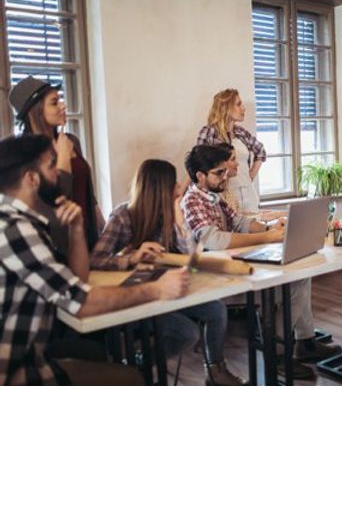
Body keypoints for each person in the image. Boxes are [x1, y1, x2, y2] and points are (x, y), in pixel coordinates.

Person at [0, 135, 189, 385]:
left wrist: (76, 231)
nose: (59, 173)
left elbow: (78, 280)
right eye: (51, 165)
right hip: (15, 370)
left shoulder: (22, 222)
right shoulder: (15, 229)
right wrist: (156, 289)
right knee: (131, 378)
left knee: (103, 358)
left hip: (29, 358)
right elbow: (80, 301)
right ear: (32, 179)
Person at [181, 144, 341, 379]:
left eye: (225, 171)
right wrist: (266, 237)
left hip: (231, 270)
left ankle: (305, 342)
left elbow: (241, 223)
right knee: (294, 285)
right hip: (213, 282)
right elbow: (214, 240)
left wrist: (270, 227)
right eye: (219, 172)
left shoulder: (215, 197)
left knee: (300, 277)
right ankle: (278, 355)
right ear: (200, 176)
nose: (226, 176)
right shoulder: (192, 201)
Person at [91, 159, 245, 385]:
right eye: (173, 183)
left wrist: (178, 220)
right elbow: (95, 260)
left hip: (166, 287)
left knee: (216, 310)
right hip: (137, 293)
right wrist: (131, 257)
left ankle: (215, 371)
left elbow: (190, 257)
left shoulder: (169, 214)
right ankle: (142, 364)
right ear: (160, 187)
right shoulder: (123, 215)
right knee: (187, 333)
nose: (179, 187)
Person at [9, 75, 104, 252]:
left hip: (87, 233)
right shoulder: (28, 153)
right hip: (59, 239)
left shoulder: (70, 140)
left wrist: (100, 224)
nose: (63, 106)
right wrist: (63, 157)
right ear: (36, 111)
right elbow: (56, 198)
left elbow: (86, 189)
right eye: (54, 102)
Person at [196, 88, 265, 215]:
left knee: (255, 225)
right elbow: (198, 163)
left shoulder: (241, 132)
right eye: (238, 104)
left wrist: (250, 176)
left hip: (249, 194)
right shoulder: (209, 132)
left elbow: (261, 152)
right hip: (225, 193)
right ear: (225, 107)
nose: (243, 108)